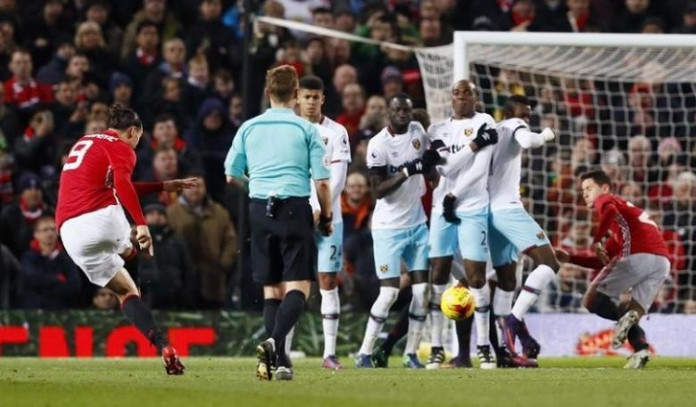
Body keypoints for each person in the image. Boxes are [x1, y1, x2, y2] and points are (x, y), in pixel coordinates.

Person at [55, 104, 197, 375]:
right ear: (132, 131)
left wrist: (163, 186)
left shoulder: (85, 141)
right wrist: (141, 224)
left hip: (70, 233)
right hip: (102, 218)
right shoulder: (121, 147)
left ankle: (163, 346)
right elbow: (121, 182)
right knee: (131, 258)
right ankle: (140, 295)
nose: (136, 143)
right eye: (139, 138)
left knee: (124, 292)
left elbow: (113, 184)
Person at [224, 65, 332, 381]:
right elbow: (323, 183)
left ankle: (281, 361)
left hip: (259, 209)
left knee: (272, 288)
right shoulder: (306, 130)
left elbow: (231, 175)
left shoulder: (248, 128)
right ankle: (273, 343)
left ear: (267, 92)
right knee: (298, 285)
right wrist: (325, 217)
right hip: (294, 208)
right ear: (296, 94)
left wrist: (257, 186)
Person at [455, 95, 557, 367]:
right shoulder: (514, 125)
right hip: (506, 209)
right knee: (549, 262)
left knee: (506, 281)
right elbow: (529, 141)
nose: (527, 119)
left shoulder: (490, 132)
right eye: (524, 113)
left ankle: (503, 352)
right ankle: (513, 321)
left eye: (529, 115)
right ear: (511, 112)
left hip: (485, 211)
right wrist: (546, 133)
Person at [554, 170, 670, 369]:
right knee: (631, 312)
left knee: (591, 300)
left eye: (589, 188)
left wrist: (597, 240)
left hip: (638, 255)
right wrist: (570, 258)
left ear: (605, 188)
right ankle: (640, 351)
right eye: (583, 190)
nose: (585, 194)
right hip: (661, 262)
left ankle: (622, 320)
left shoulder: (607, 200)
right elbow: (603, 261)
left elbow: (608, 211)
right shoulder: (625, 222)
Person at [422, 80, 499, 369]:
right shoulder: (437, 129)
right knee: (438, 274)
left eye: (468, 92)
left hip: (473, 206)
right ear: (450, 97)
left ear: (475, 96)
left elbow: (480, 170)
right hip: (442, 208)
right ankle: (437, 347)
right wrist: (476, 144)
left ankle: (483, 348)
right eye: (457, 92)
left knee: (476, 277)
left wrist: (455, 194)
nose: (462, 96)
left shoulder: (485, 121)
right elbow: (446, 167)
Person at [355, 93, 433, 369]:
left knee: (423, 291)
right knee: (388, 294)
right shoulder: (378, 144)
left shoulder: (418, 132)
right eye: (398, 110)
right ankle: (364, 351)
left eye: (407, 110)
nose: (403, 114)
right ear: (389, 112)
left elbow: (430, 160)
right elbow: (377, 191)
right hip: (388, 228)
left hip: (417, 225)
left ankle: (410, 353)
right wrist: (407, 172)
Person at [296, 75, 351, 369]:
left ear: (323, 98)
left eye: (316, 97)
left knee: (328, 281)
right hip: (297, 217)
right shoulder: (291, 131)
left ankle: (329, 353)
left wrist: (320, 208)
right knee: (292, 282)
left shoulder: (337, 132)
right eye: (306, 96)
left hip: (330, 219)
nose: (312, 102)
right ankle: (283, 349)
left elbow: (338, 179)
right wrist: (307, 208)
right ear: (297, 98)